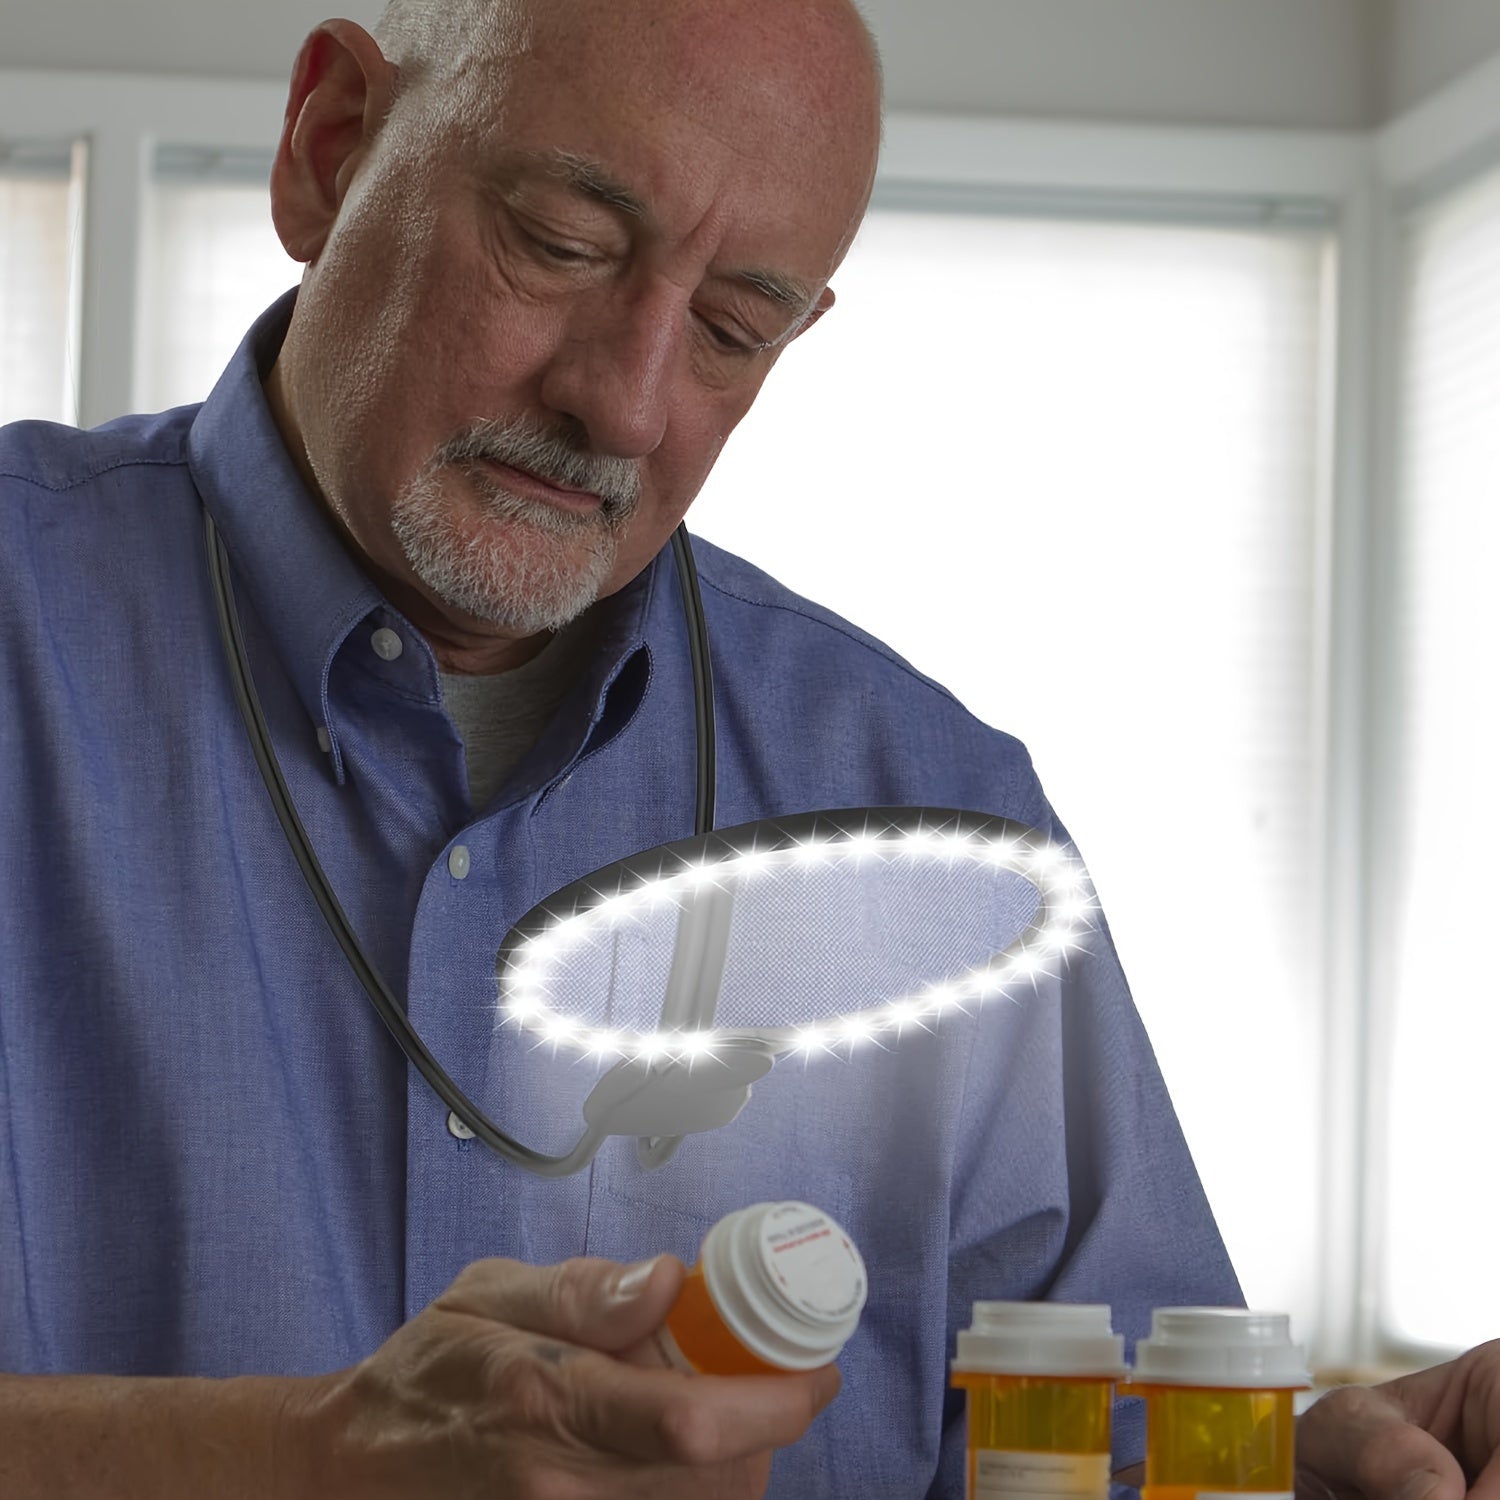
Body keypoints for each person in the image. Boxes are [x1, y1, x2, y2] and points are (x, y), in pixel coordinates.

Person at [0, 0, 1494, 1495]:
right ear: (331, 150)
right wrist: (296, 1462)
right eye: (564, 244)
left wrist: (1287, 1473)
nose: (626, 402)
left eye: (733, 327)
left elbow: (1098, 1456)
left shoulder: (944, 817)